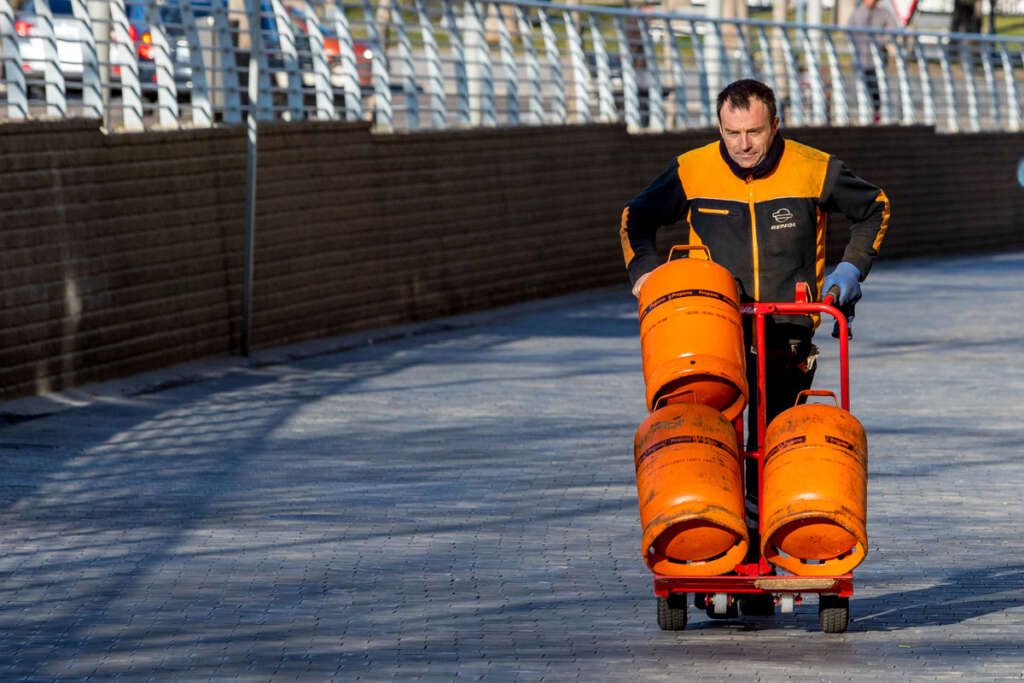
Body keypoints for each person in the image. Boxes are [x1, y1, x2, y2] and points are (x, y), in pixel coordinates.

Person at [619, 79, 890, 607]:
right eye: (732, 132)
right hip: (709, 331)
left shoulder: (814, 168)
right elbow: (636, 218)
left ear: (776, 125)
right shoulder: (692, 169)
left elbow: (874, 208)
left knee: (775, 442)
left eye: (754, 132)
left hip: (790, 329)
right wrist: (647, 278)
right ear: (719, 127)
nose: (742, 144)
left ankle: (772, 553)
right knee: (713, 443)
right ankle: (716, 552)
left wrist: (850, 271)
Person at [846, 0, 900, 121]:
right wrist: (857, 42)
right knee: (863, 89)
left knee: (877, 89)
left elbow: (893, 30)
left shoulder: (883, 13)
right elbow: (847, 31)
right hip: (860, 59)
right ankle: (865, 116)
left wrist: (878, 41)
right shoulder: (857, 13)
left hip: (877, 61)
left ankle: (876, 115)